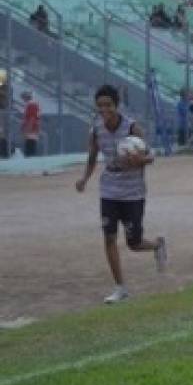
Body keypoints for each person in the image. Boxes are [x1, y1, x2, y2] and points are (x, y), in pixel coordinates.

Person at [75, 85, 167, 304]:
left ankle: (157, 245)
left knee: (134, 243)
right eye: (100, 105)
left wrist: (140, 160)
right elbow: (92, 156)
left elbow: (151, 155)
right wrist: (84, 178)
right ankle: (120, 287)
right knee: (109, 238)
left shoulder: (132, 128)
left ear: (117, 105)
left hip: (133, 192)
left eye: (108, 105)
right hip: (108, 190)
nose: (104, 109)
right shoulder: (96, 128)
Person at [20, 91, 40, 157]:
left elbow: (32, 118)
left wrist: (28, 129)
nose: (23, 100)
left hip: (31, 129)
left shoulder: (31, 105)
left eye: (23, 98)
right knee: (29, 145)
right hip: (31, 129)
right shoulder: (30, 105)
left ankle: (30, 157)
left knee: (30, 146)